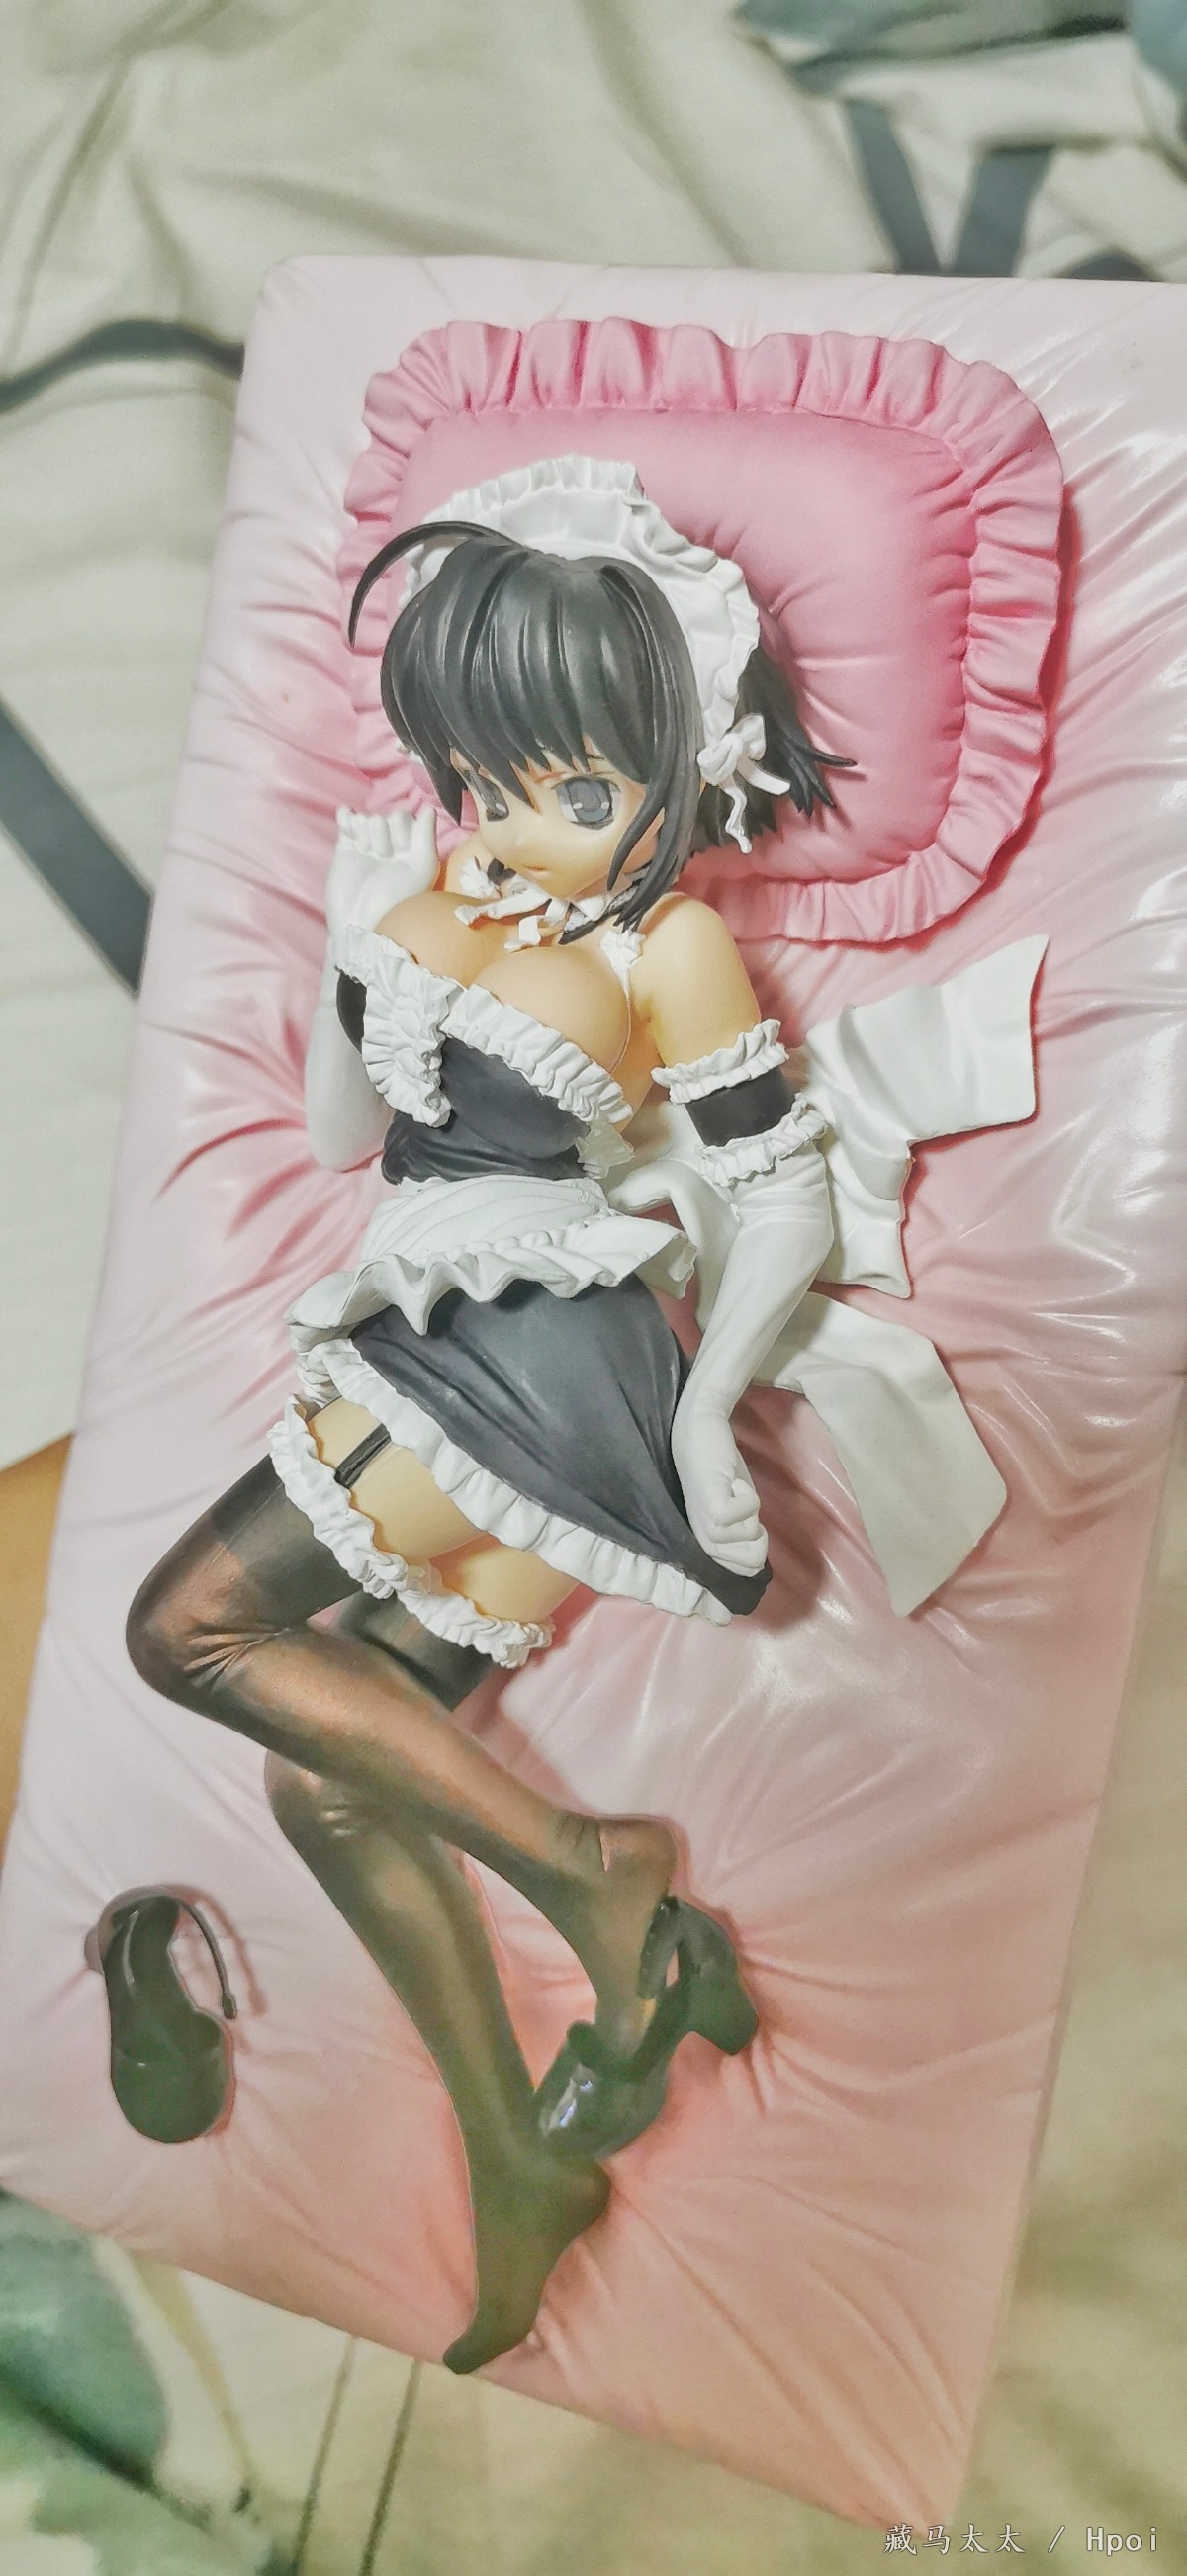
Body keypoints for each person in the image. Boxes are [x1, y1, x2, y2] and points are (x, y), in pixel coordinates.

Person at [116, 455, 1042, 2373]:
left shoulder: (660, 947)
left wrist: (706, 1420)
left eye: (575, 790)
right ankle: (516, 2154)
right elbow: (346, 1134)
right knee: (323, 1776)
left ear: (673, 779)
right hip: (420, 1318)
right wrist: (350, 952)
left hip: (540, 1348)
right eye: (481, 779)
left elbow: (776, 1195)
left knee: (185, 1627)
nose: (514, 824)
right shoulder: (438, 895)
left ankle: (597, 1873)